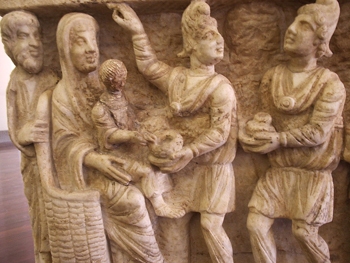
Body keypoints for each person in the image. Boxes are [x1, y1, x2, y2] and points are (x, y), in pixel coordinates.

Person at [110, 1, 238, 262]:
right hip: (180, 166)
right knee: (173, 222)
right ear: (190, 44)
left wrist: (190, 150)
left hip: (212, 167)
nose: (218, 41)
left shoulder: (221, 87)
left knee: (211, 226)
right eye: (207, 36)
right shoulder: (178, 79)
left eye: (218, 36)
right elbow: (148, 66)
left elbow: (220, 133)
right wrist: (137, 31)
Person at [52, 13, 164, 263]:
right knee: (133, 201)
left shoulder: (103, 86)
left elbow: (129, 116)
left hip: (119, 159)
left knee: (154, 181)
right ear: (65, 49)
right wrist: (95, 160)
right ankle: (153, 259)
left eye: (94, 41)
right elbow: (61, 147)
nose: (91, 49)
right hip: (91, 172)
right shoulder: (62, 95)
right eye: (81, 42)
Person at [239, 0, 345, 262]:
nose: (292, 29)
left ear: (319, 41)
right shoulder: (273, 77)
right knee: (256, 223)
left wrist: (278, 139)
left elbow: (319, 132)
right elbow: (265, 116)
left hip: (311, 174)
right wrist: (256, 129)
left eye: (304, 26)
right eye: (295, 21)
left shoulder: (329, 84)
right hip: (279, 171)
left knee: (304, 232)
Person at [92, 58, 185, 218]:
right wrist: (132, 136)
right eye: (116, 82)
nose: (121, 85)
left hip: (130, 147)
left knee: (157, 160)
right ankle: (159, 206)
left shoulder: (122, 97)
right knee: (146, 170)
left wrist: (149, 122)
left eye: (123, 80)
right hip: (116, 156)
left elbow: (132, 117)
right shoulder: (100, 110)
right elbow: (110, 135)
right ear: (105, 82)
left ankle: (166, 195)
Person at [1, 10, 59, 263]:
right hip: (34, 165)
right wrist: (22, 134)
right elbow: (14, 124)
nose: (34, 43)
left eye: (37, 36)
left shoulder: (51, 78)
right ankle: (46, 255)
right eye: (25, 36)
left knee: (58, 213)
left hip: (58, 159)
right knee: (40, 214)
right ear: (11, 44)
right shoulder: (15, 82)